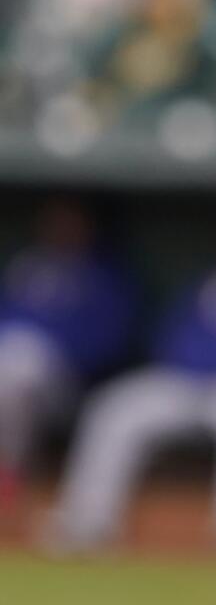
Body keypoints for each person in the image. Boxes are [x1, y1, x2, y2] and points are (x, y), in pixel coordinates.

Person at [47, 215, 216, 551]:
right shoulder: (214, 285)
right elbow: (171, 337)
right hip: (187, 380)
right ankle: (87, 522)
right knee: (117, 407)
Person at [0, 199, 134, 512]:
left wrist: (52, 345)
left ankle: (7, 470)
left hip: (67, 382)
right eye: (54, 222)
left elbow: (108, 342)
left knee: (22, 362)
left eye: (69, 222)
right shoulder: (26, 266)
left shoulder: (104, 276)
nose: (60, 230)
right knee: (16, 356)